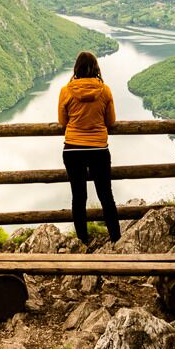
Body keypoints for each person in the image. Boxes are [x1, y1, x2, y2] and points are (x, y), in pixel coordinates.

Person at [57, 50, 122, 245]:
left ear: (76, 68)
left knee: (79, 197)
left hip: (73, 149)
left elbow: (62, 122)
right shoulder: (105, 90)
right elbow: (111, 121)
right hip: (98, 150)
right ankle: (116, 239)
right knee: (105, 195)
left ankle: (82, 241)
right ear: (96, 68)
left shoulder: (66, 91)